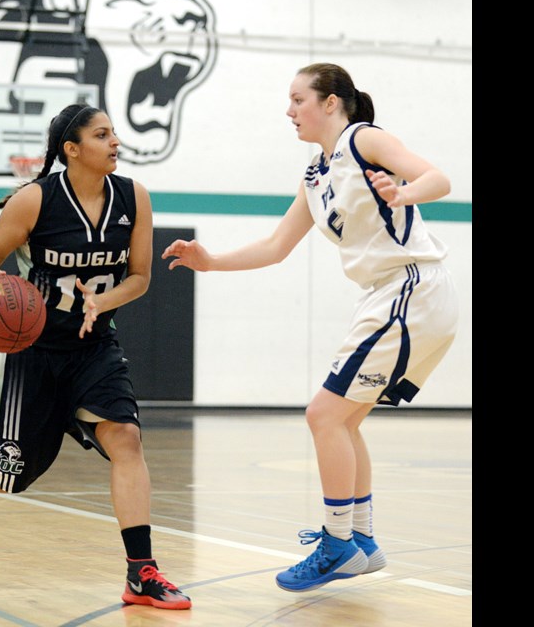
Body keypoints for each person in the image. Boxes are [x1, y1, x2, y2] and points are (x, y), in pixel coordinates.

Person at [162, 63, 459, 593]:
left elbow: (438, 178)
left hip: (410, 288)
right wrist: (211, 261)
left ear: (330, 103)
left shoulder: (362, 138)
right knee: (342, 422)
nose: (289, 109)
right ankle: (362, 541)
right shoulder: (316, 174)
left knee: (322, 414)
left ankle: (337, 541)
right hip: (389, 296)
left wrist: (403, 193)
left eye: (298, 99)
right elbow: (276, 248)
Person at [0, 103, 192, 610]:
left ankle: (141, 572)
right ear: (72, 149)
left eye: (114, 133)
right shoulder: (35, 200)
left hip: (94, 348)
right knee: (10, 477)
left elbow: (139, 278)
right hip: (30, 353)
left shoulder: (134, 197)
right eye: (102, 135)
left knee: (127, 440)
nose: (116, 142)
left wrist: (103, 301)